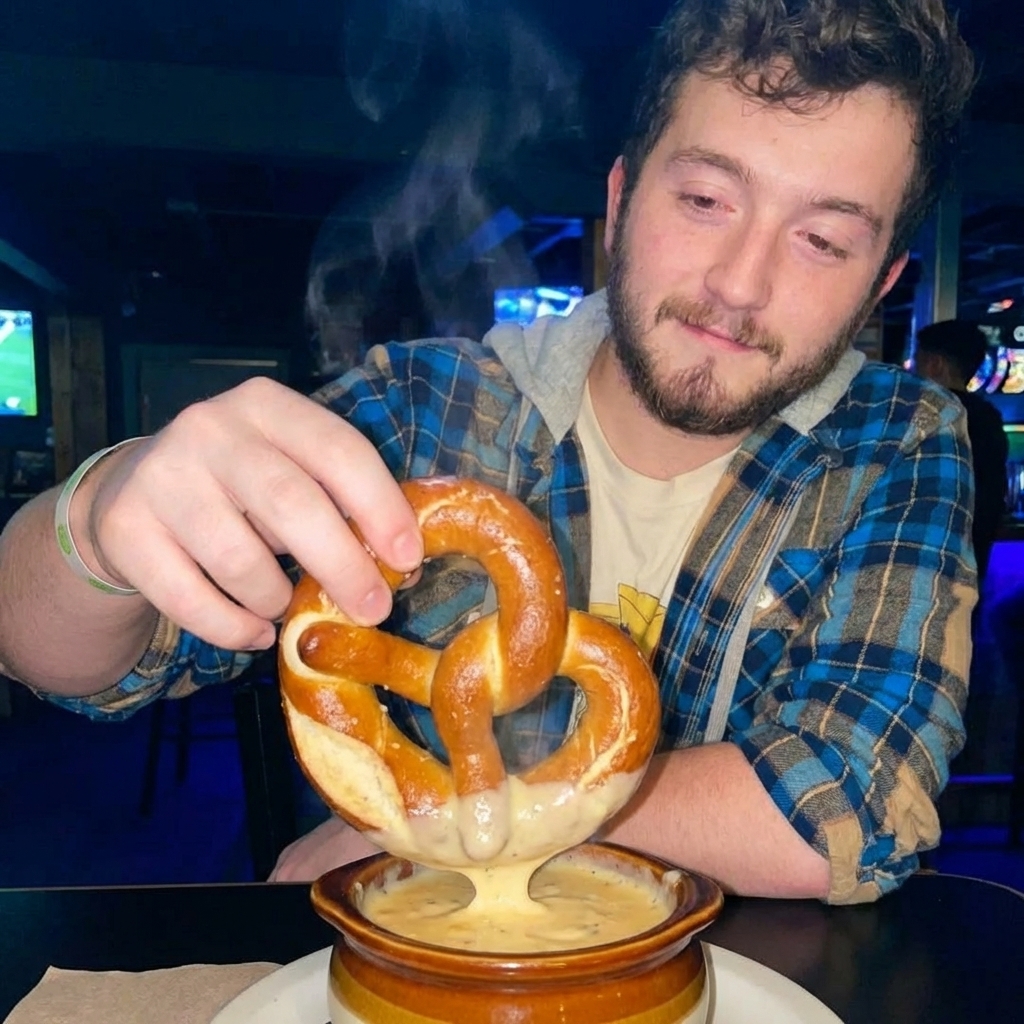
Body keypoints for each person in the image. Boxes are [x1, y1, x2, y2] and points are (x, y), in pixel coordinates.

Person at [0, 0, 977, 905]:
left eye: (821, 241)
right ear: (622, 199)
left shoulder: (896, 442)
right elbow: (58, 659)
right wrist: (96, 520)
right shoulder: (418, 412)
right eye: (705, 200)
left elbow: (852, 808)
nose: (740, 284)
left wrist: (451, 825)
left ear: (882, 282)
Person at [913, 320, 1008, 583]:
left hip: (922, 567)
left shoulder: (924, 415)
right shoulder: (988, 417)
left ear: (935, 364)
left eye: (917, 361)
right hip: (971, 568)